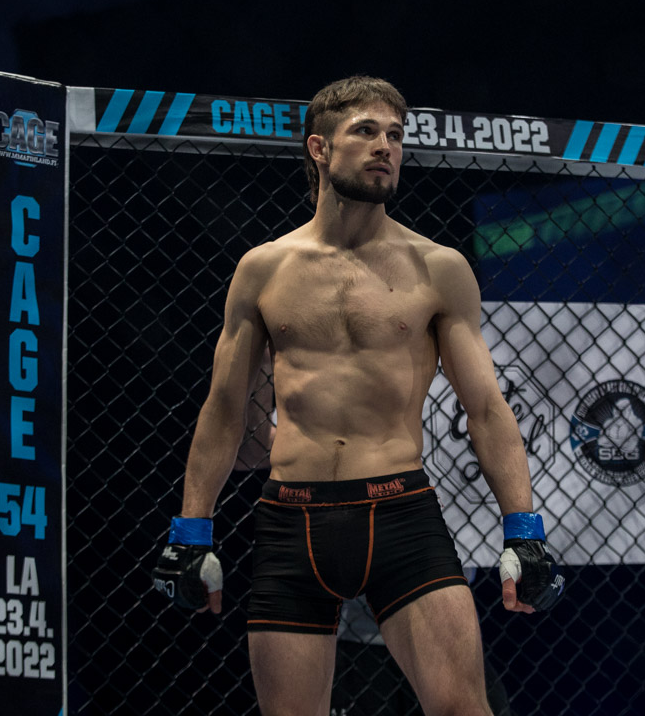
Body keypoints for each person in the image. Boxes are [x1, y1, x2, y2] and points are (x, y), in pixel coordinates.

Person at [154, 75, 563, 716]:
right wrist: (190, 530)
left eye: (395, 135)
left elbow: (486, 408)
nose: (385, 147)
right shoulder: (264, 269)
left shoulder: (438, 268)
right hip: (292, 518)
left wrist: (524, 531)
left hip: (399, 513)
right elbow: (225, 410)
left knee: (464, 708)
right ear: (319, 148)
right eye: (366, 131)